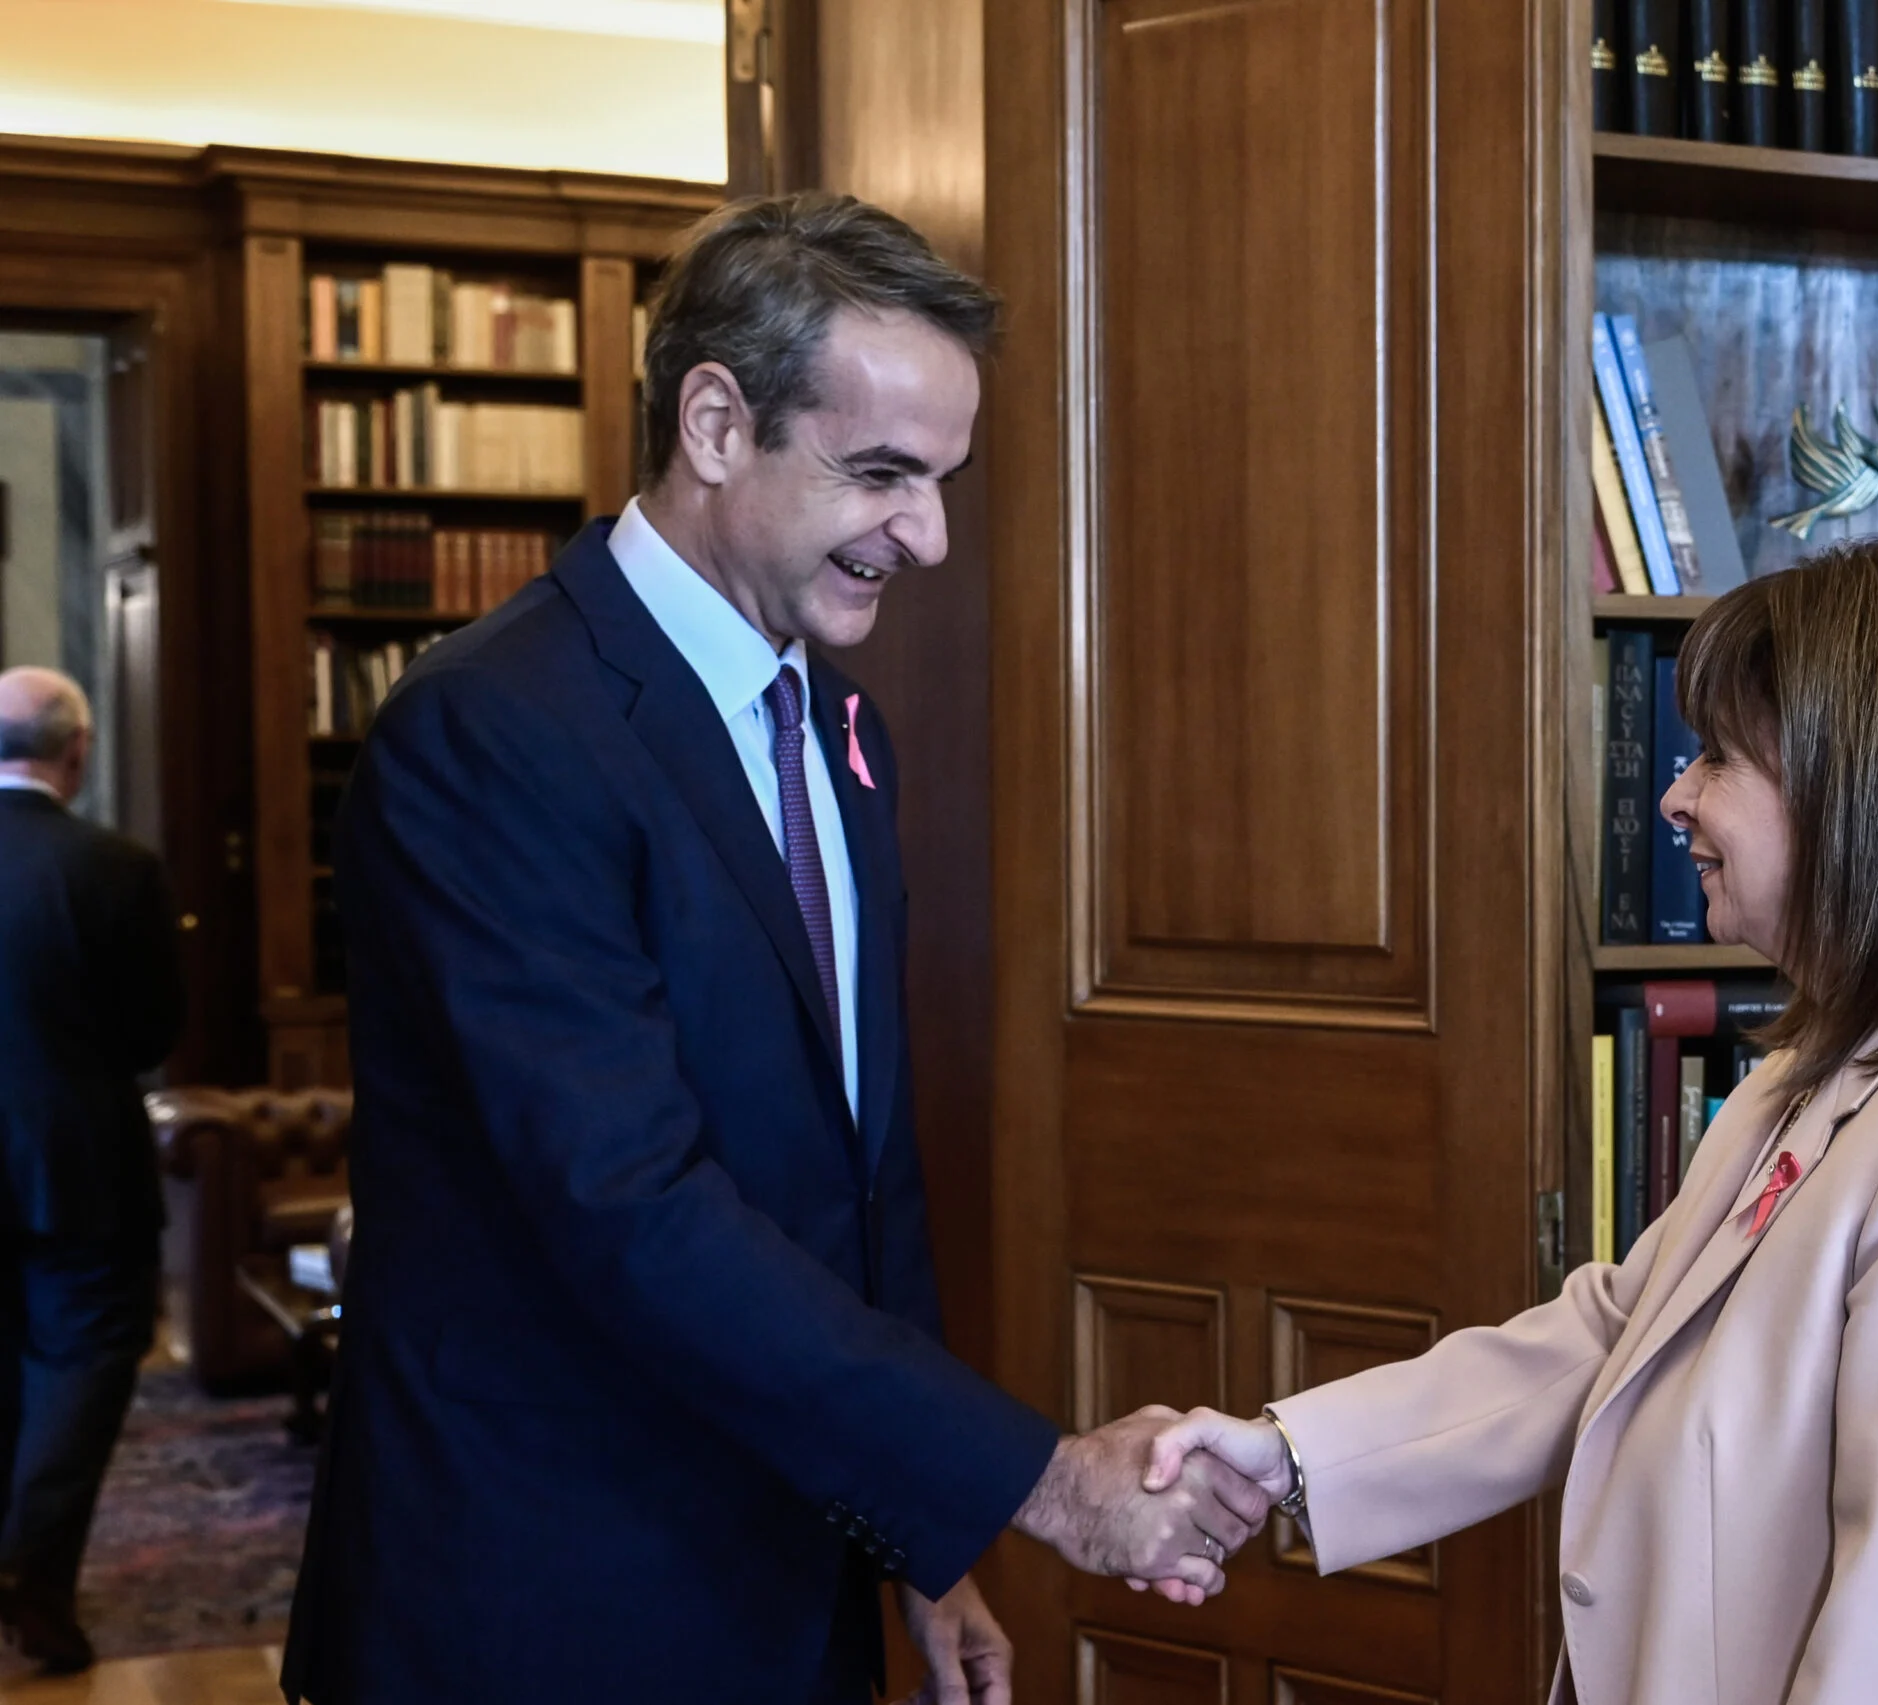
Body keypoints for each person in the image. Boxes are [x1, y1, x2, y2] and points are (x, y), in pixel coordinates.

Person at [281, 194, 1264, 1705]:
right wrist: (1038, 1480)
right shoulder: (491, 731)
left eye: (941, 482)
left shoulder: (842, 726)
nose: (927, 536)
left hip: (783, 1567)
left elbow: (863, 1182)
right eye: (880, 474)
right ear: (717, 424)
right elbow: (630, 1208)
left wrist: (920, 1539)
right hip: (548, 1595)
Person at [1145, 537, 1878, 1705]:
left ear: (1866, 787)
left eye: (1718, 758)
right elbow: (1619, 1335)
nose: (1675, 798)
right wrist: (1288, 1455)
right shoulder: (1817, 1073)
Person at [0, 667, 184, 1675]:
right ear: (77, 752)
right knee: (84, 1360)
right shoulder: (115, 868)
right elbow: (152, 1033)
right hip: (78, 1164)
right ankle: (30, 1569)